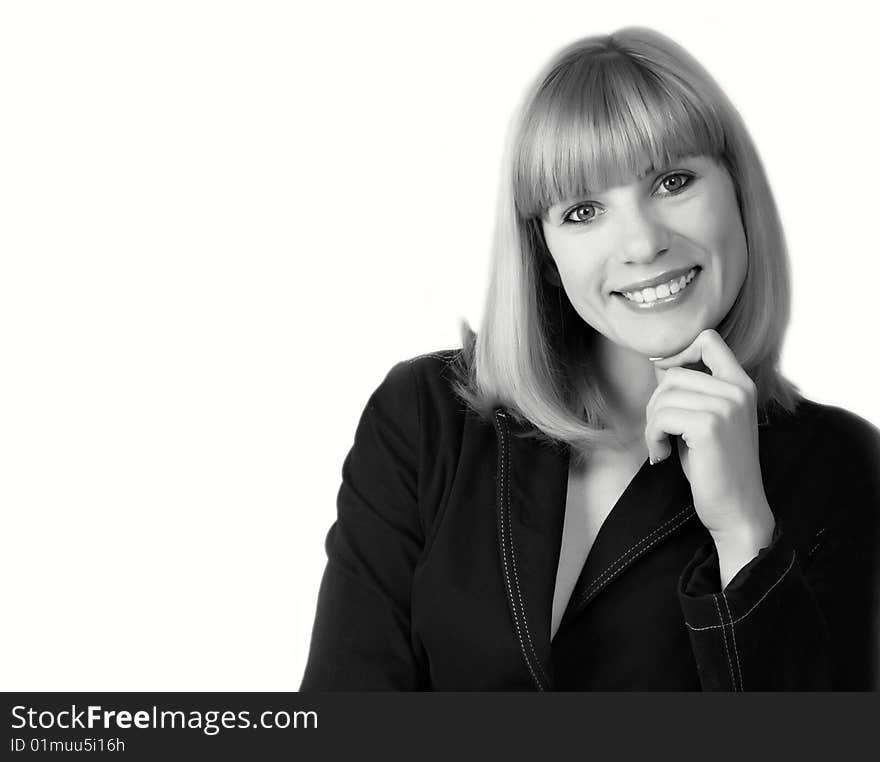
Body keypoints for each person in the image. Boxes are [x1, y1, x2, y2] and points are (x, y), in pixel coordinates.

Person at [299, 27, 880, 691]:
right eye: (583, 211)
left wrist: (745, 536)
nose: (640, 244)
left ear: (739, 195)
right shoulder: (426, 421)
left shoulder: (846, 469)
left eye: (673, 180)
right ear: (545, 257)